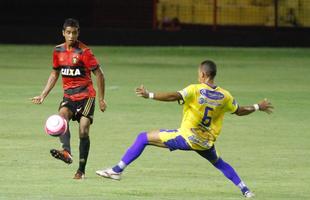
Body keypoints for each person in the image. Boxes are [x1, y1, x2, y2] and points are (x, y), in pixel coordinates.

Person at [96, 60, 273, 198]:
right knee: (219, 162)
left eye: (198, 74)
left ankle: (116, 171)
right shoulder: (225, 95)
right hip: (206, 142)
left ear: (203, 74)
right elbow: (240, 110)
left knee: (143, 138)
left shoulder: (195, 90)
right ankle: (245, 190)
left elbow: (174, 96)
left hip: (187, 138)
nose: (198, 76)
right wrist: (258, 106)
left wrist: (149, 95)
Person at [31, 18, 107, 179]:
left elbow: (100, 74)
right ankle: (66, 151)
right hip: (69, 96)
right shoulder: (58, 51)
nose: (71, 36)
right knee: (61, 118)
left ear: (78, 33)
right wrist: (43, 94)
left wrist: (101, 99)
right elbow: (54, 73)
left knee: (83, 129)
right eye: (68, 33)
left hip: (86, 96)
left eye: (74, 32)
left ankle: (81, 170)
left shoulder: (85, 52)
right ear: (63, 33)